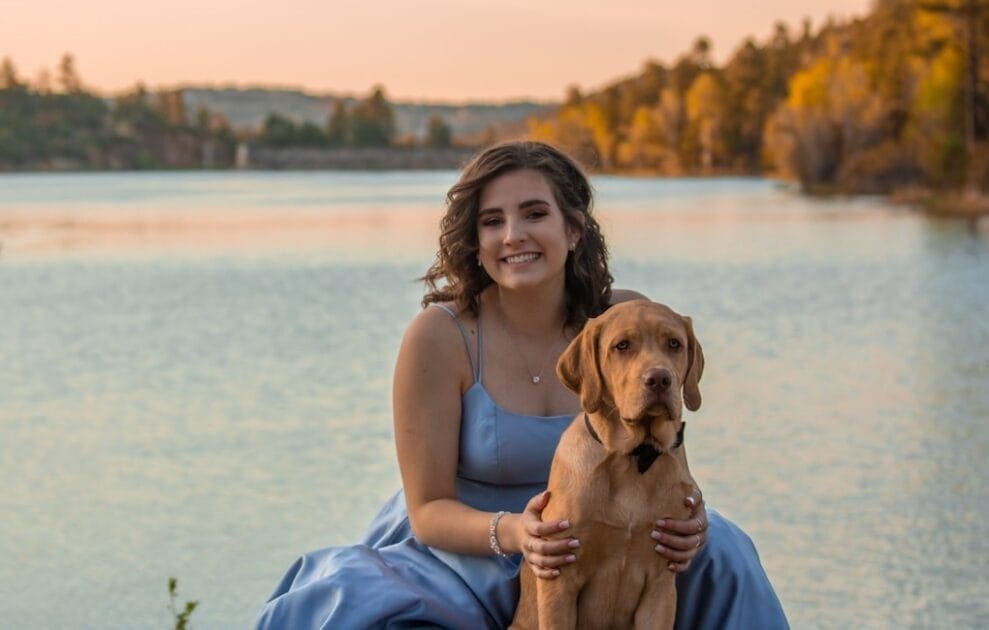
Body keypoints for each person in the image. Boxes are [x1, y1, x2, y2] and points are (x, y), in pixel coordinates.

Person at [256, 141, 788, 629]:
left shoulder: (625, 320)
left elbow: (665, 443)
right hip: (469, 554)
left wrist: (688, 515)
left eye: (535, 213)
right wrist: (517, 534)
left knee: (726, 553)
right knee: (360, 608)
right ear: (476, 240)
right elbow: (427, 510)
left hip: (610, 535)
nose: (513, 235)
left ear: (573, 229)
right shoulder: (441, 336)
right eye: (493, 221)